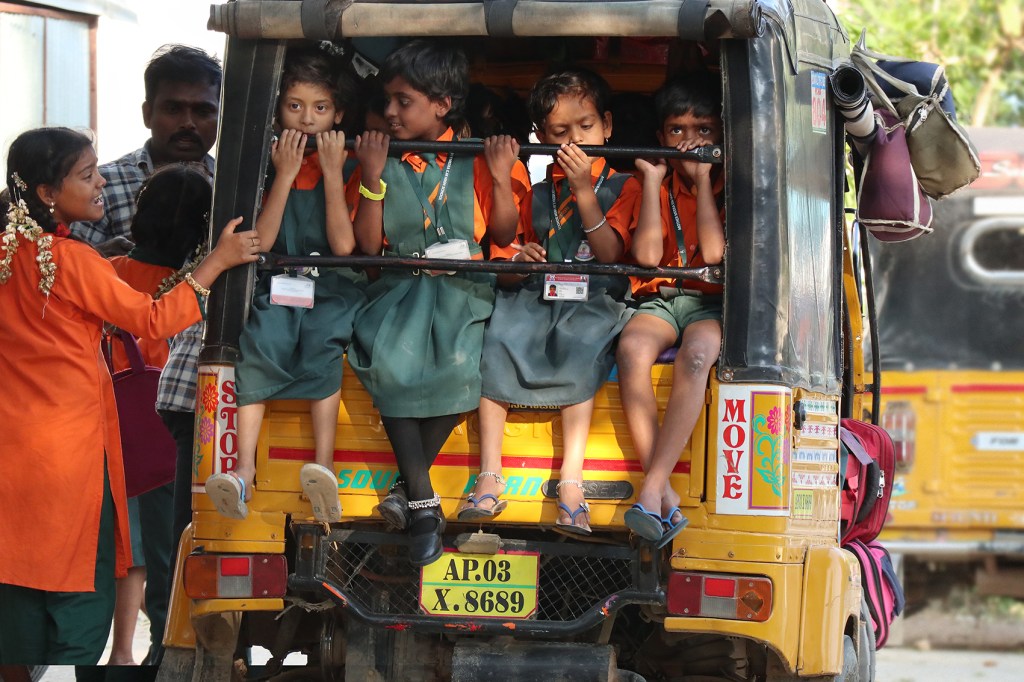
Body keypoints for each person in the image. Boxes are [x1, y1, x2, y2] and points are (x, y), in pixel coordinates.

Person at [0, 127, 259, 666]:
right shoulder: (72, 261)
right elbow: (153, 319)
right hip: (69, 451)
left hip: (13, 448)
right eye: (87, 174)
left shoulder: (9, 255)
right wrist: (218, 260)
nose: (102, 183)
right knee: (76, 577)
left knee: (16, 571)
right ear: (47, 194)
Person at [349, 39, 529, 566]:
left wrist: (500, 175)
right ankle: (424, 503)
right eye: (387, 100)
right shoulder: (379, 157)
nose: (390, 111)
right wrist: (371, 178)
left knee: (461, 366)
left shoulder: (479, 156)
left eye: (403, 101)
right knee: (388, 363)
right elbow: (368, 246)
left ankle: (409, 493)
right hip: (399, 290)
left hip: (462, 290)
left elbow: (502, 234)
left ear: (442, 105)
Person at [460, 68, 641, 535]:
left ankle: (571, 482)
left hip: (594, 295)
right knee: (497, 336)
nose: (575, 139)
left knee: (582, 347)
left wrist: (583, 190)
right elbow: (509, 247)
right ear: (541, 137)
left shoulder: (624, 184)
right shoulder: (540, 191)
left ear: (607, 125)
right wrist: (521, 258)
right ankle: (490, 473)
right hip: (538, 292)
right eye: (560, 132)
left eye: (586, 126)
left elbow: (610, 254)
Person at [205, 47, 366, 524]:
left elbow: (343, 245)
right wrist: (287, 174)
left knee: (324, 342)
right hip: (280, 282)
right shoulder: (269, 159)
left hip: (331, 283)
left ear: (338, 114)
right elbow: (265, 239)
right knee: (260, 341)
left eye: (320, 108)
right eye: (295, 106)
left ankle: (324, 465)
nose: (307, 119)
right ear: (278, 109)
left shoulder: (348, 163)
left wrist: (332, 173)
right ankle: (243, 470)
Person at [104, 163, 213, 666]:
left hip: (113, 425)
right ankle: (166, 649)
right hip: (171, 426)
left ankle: (120, 653)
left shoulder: (110, 272)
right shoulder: (197, 282)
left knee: (121, 551)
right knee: (173, 544)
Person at [617, 74, 726, 547]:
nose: (690, 141)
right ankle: (660, 491)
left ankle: (653, 489)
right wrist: (652, 181)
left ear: (720, 133)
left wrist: (702, 182)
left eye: (704, 130)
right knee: (631, 350)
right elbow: (646, 257)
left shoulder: (731, 183)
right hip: (661, 297)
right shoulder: (649, 181)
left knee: (697, 356)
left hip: (708, 302)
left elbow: (715, 254)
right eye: (678, 130)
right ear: (661, 135)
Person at [72, 44, 221, 255]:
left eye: (203, 111)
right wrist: (99, 258)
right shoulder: (102, 185)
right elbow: (67, 267)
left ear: (221, 118)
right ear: (147, 114)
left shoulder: (232, 189)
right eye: (173, 109)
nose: (188, 123)